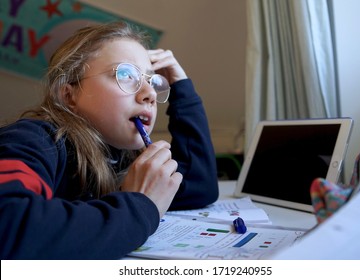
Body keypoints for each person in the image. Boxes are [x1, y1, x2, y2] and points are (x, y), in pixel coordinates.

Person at [0, 21, 218, 259]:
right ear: (69, 95)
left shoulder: (121, 157)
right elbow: (9, 221)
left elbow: (198, 187)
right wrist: (140, 205)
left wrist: (181, 86)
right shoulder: (33, 139)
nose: (150, 94)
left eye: (152, 81)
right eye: (125, 74)